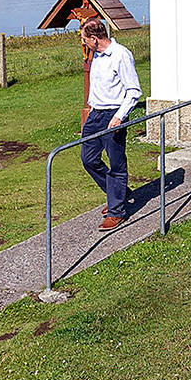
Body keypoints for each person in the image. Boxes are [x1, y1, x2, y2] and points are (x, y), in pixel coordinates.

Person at [79, 18, 140, 231]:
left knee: (116, 164)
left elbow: (134, 91)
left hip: (113, 115)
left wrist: (119, 117)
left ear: (94, 39)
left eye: (85, 39)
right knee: (88, 159)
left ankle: (117, 212)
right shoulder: (95, 54)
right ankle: (118, 193)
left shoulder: (121, 55)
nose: (83, 42)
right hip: (95, 115)